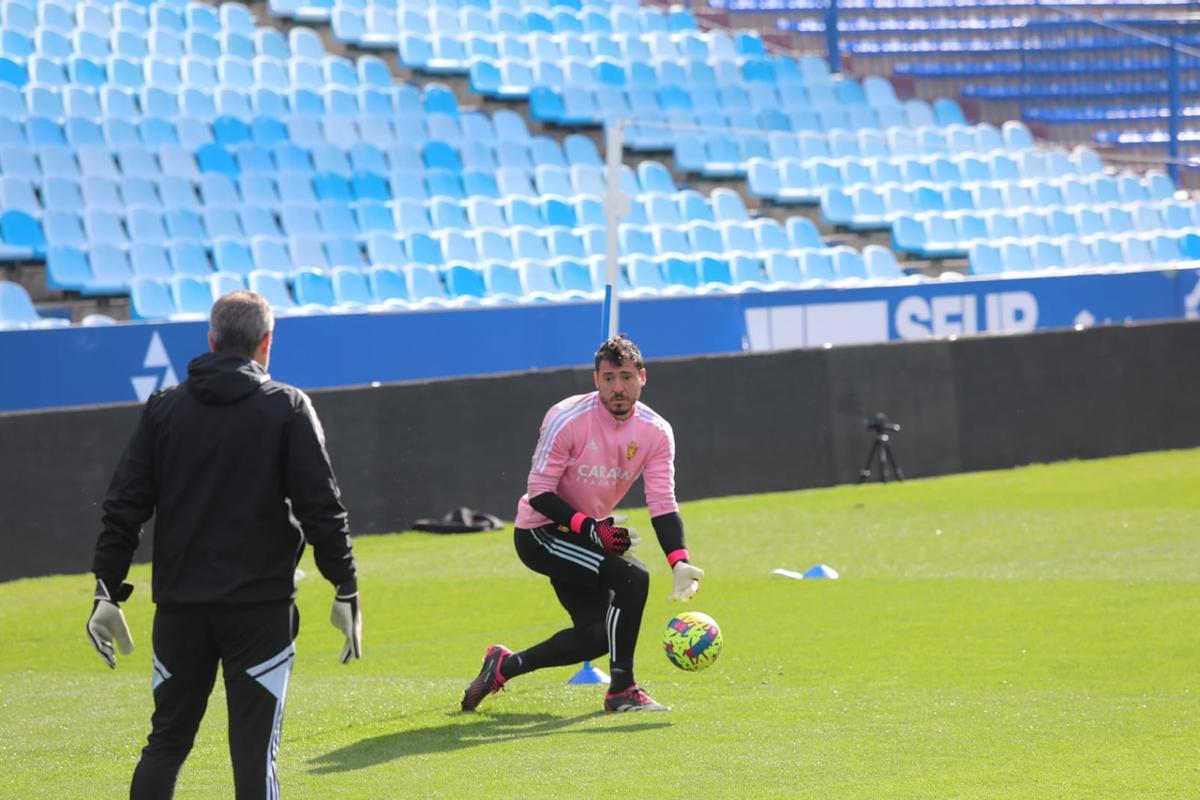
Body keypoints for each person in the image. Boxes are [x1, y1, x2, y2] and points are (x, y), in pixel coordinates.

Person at [85, 291, 363, 799]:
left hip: (180, 610)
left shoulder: (163, 408)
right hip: (260, 611)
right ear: (266, 343)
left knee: (165, 744)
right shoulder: (287, 406)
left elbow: (123, 506)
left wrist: (106, 589)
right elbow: (322, 507)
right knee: (256, 758)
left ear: (211, 340)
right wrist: (345, 585)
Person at [461, 335, 704, 713]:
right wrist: (591, 529)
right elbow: (539, 492)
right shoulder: (567, 419)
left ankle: (503, 666)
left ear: (643, 377)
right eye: (608, 378)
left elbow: (661, 502)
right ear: (595, 379)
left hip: (583, 532)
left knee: (596, 636)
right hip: (540, 533)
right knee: (632, 577)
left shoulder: (656, 432)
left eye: (626, 376)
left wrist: (679, 561)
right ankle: (622, 690)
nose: (618, 388)